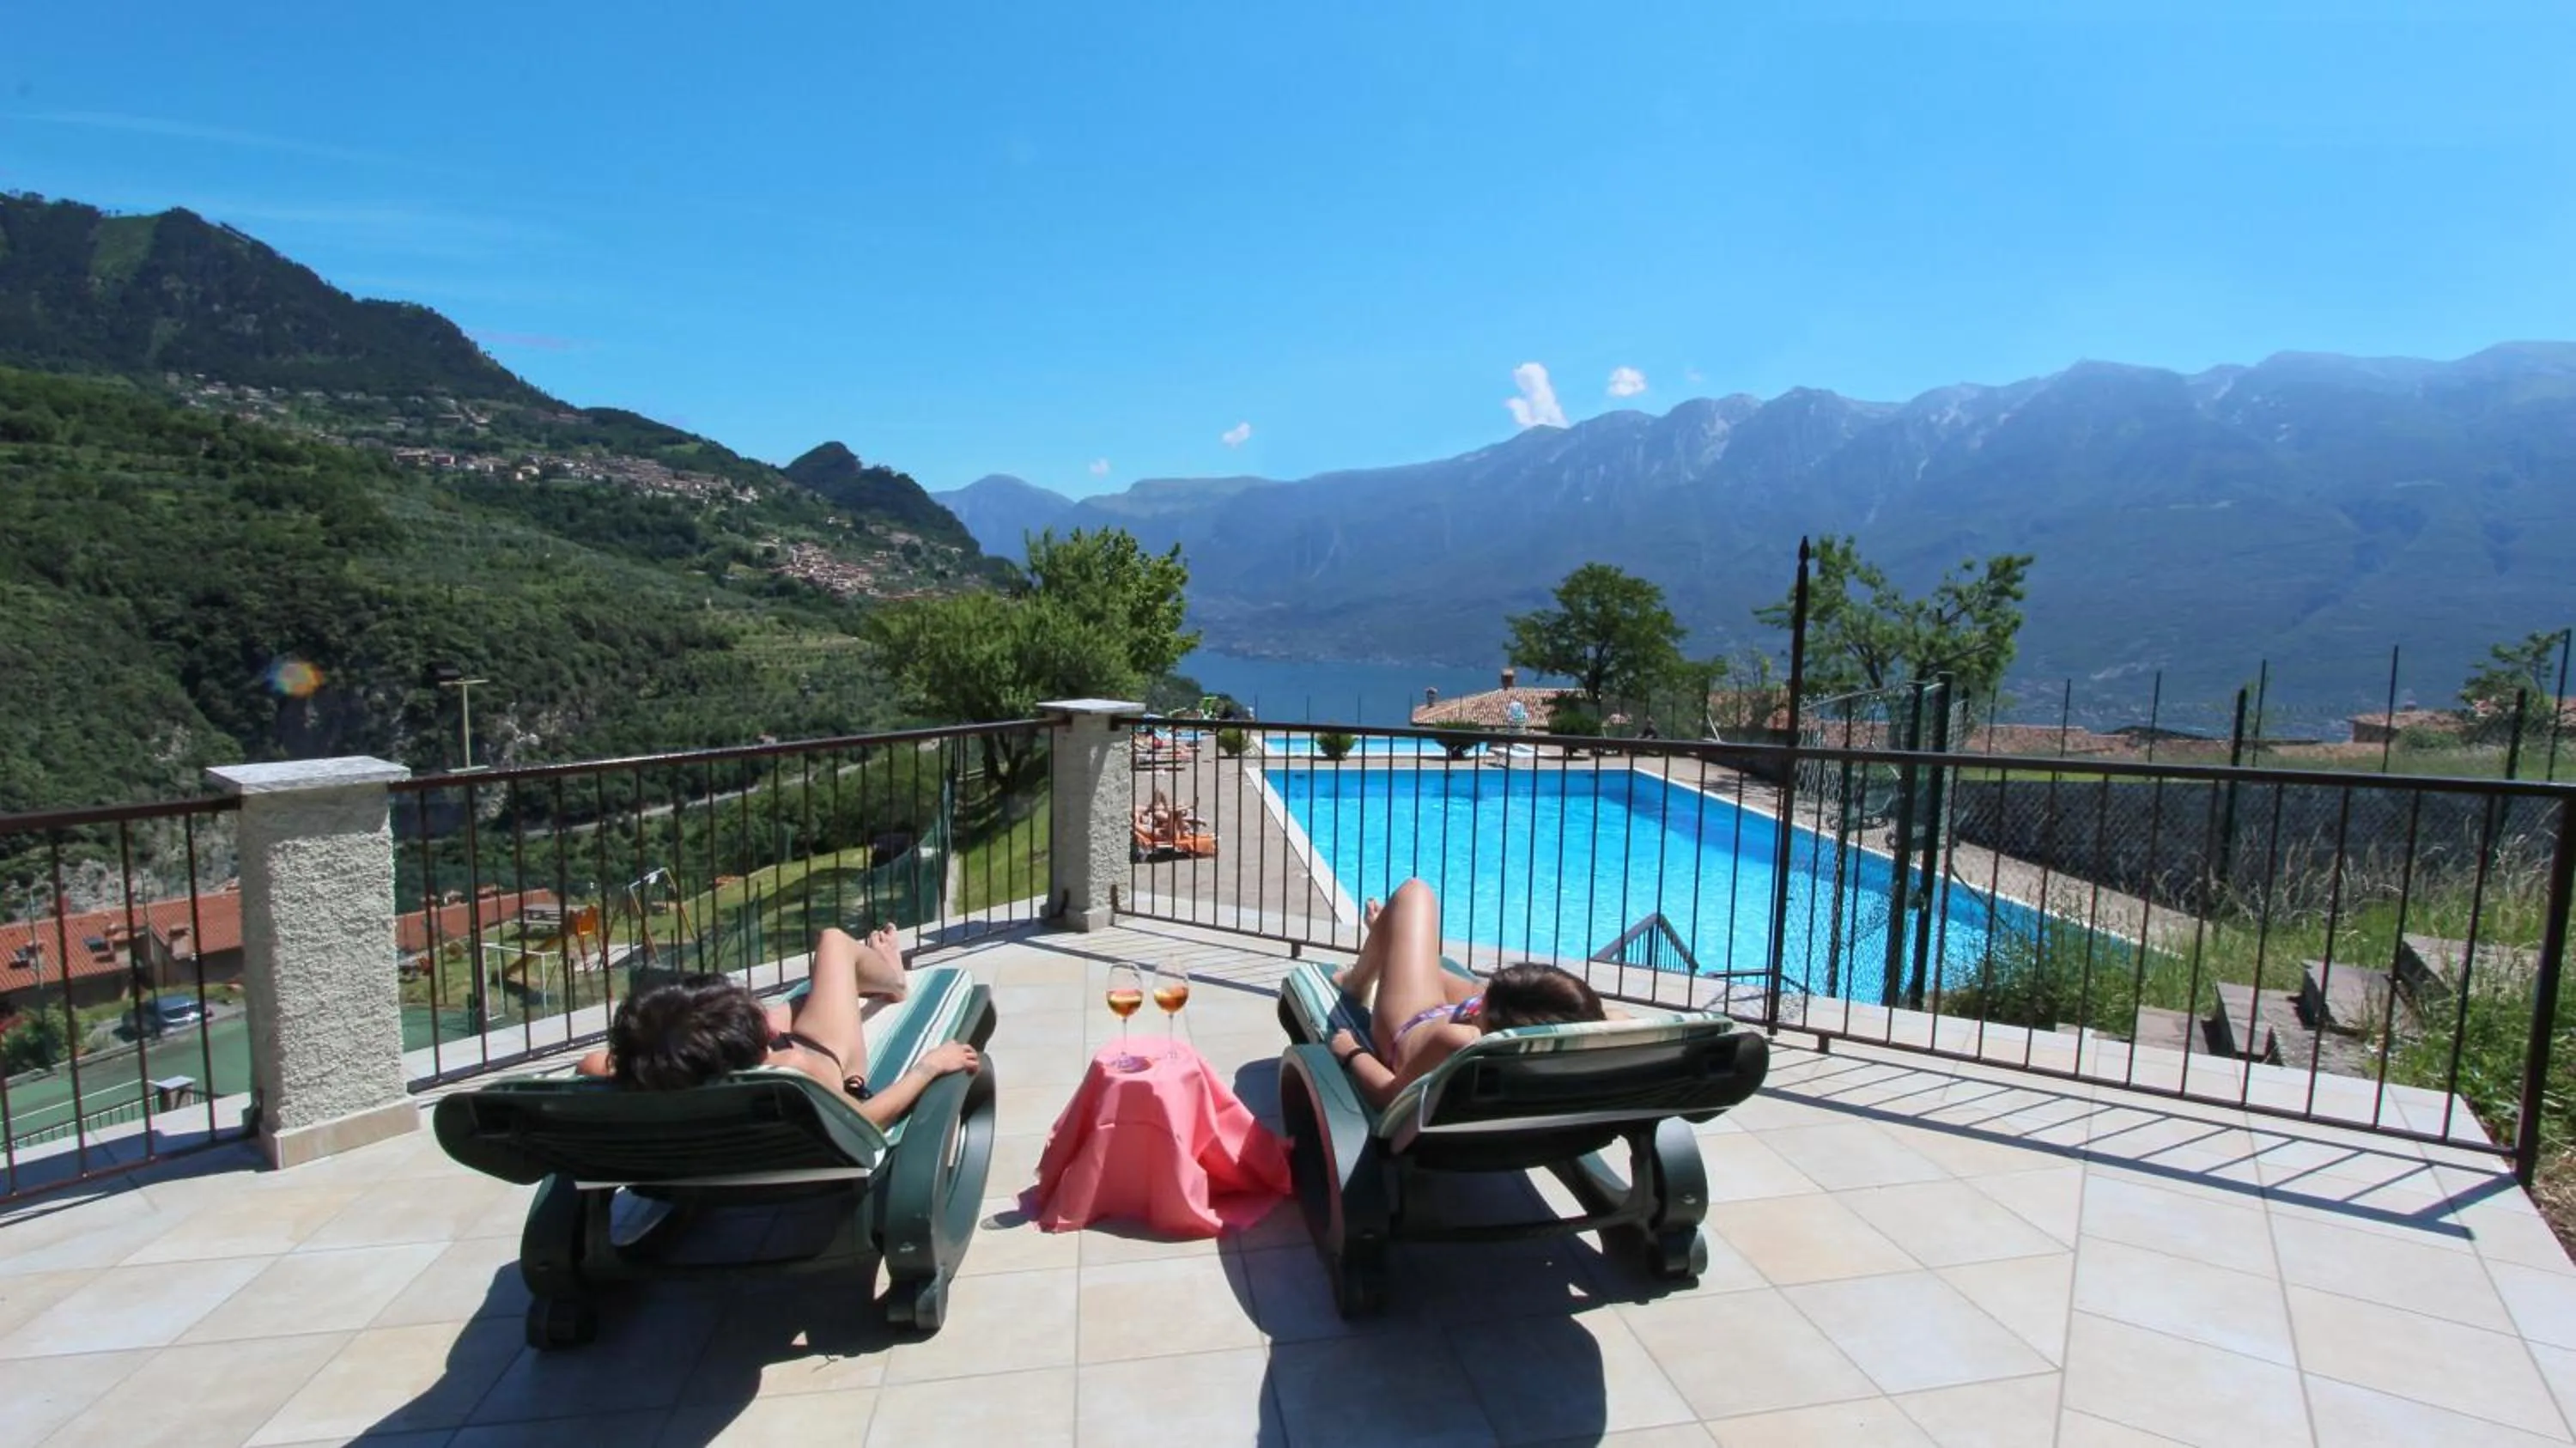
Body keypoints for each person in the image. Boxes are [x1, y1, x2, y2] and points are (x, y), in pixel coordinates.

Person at [575, 923, 978, 1129]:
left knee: (794, 1005)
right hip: (830, 1056)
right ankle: (892, 978)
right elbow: (868, 1118)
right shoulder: (791, 1074)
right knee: (834, 942)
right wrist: (929, 1066)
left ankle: (859, 985)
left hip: (715, 1069)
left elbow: (596, 1062)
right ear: (765, 1041)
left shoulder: (622, 1070)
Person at [1326, 879, 1607, 1110]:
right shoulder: (1576, 1038)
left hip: (1408, 1024)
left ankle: (1359, 978)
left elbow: (1390, 1096)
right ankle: (1391, 938)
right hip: (1472, 1019)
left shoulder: (1459, 1041)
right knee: (1412, 950)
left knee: (1415, 893)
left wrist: (1351, 1052)